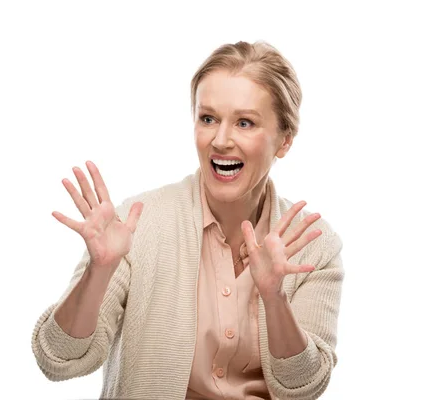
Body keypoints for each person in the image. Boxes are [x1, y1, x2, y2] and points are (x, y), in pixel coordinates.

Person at [31, 41, 344, 400]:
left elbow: (304, 385)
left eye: (245, 122)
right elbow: (58, 358)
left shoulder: (315, 246)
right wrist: (98, 272)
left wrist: (274, 299)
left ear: (285, 140)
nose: (221, 140)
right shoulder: (136, 227)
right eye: (208, 118)